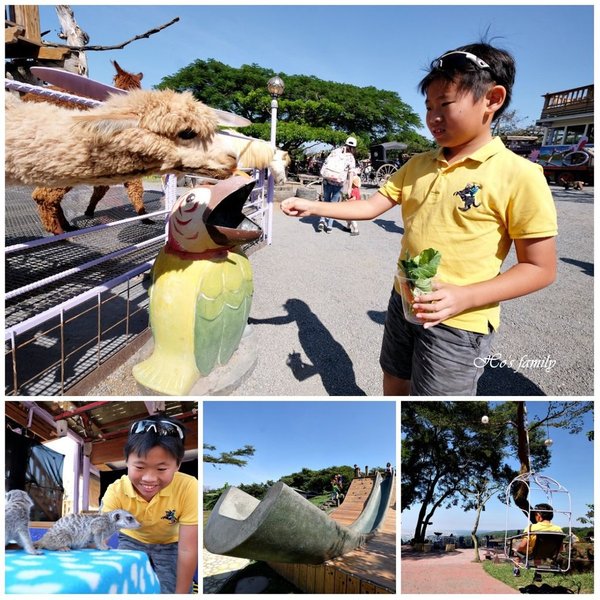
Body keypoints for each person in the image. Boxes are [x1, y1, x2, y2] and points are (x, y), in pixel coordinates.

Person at [282, 41, 557, 396]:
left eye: (445, 104)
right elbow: (370, 206)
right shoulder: (417, 165)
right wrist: (315, 206)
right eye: (429, 106)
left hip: (460, 320)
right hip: (404, 298)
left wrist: (464, 296)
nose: (433, 117)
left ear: (492, 99)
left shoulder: (520, 174)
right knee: (394, 378)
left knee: (437, 403)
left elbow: (540, 268)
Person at [101, 414, 198, 594]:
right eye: (139, 467)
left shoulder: (189, 486)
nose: (149, 479)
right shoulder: (115, 491)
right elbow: (98, 537)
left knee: (173, 590)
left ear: (177, 465)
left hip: (171, 543)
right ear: (127, 462)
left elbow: (187, 549)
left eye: (161, 469)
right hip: (132, 540)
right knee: (126, 588)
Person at [513, 503, 564, 578]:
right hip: (549, 554)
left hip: (533, 553)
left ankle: (516, 569)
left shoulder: (531, 528)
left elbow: (523, 545)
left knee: (517, 550)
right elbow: (561, 548)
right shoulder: (558, 529)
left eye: (535, 515)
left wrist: (518, 550)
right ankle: (537, 572)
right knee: (538, 554)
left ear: (539, 515)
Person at [318, 136, 357, 233]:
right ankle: (330, 226)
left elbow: (326, 163)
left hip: (327, 180)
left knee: (325, 201)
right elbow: (350, 173)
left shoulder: (335, 151)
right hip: (338, 183)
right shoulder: (351, 157)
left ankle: (322, 219)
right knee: (334, 204)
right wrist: (349, 187)